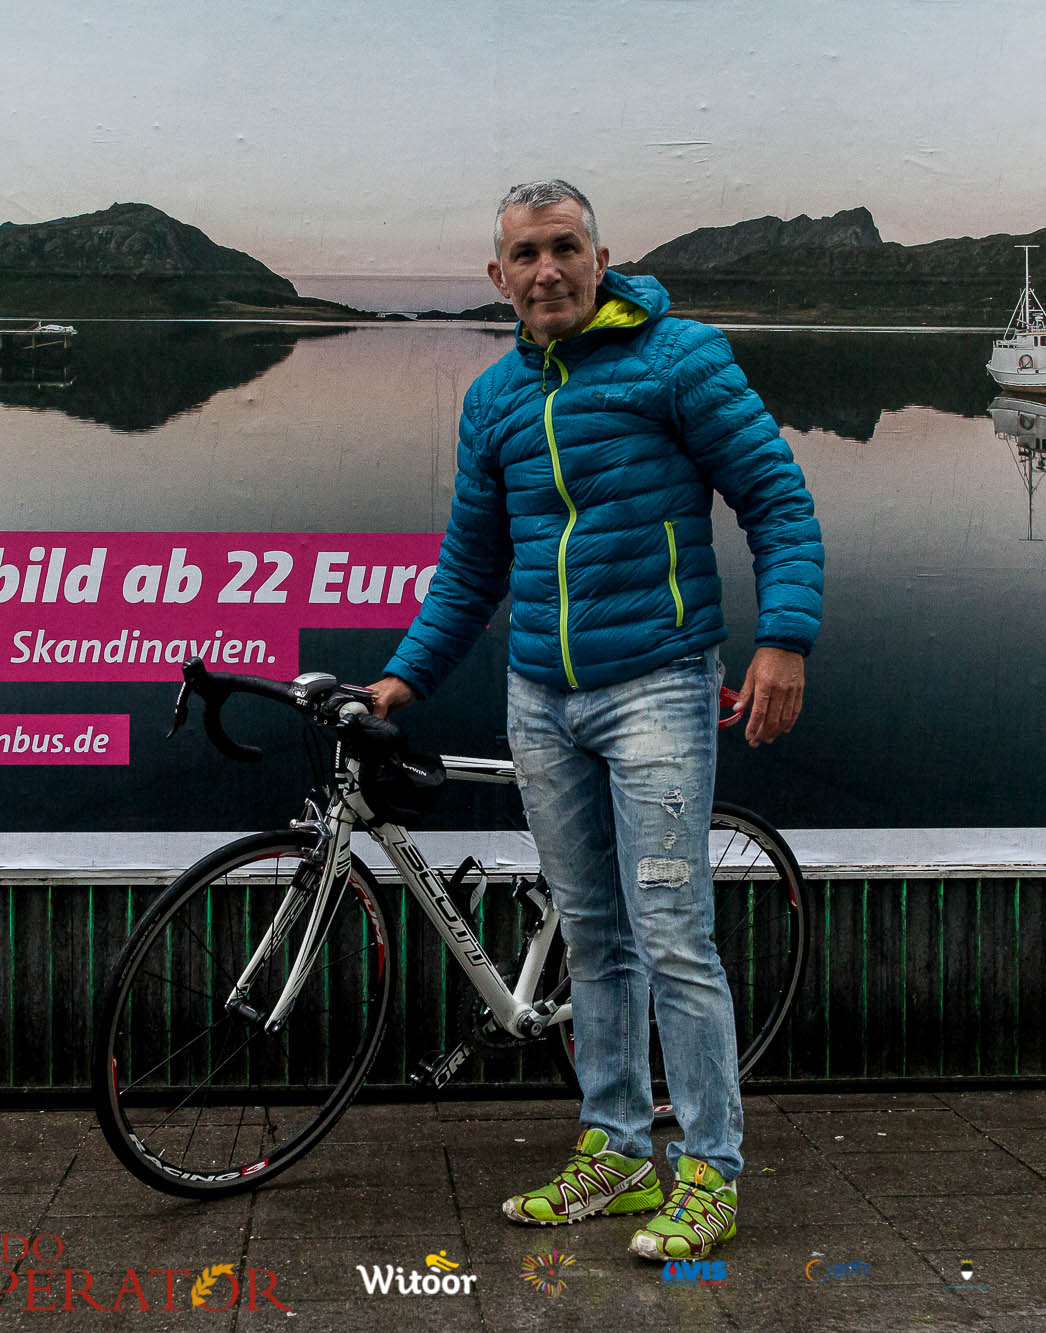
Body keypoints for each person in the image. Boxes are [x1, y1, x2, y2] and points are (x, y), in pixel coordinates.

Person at [368, 180, 823, 1262]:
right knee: (593, 937)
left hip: (658, 685)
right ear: (498, 276)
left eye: (565, 248)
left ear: (601, 257)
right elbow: (470, 567)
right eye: (525, 255)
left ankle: (708, 1169)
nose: (547, 272)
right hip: (540, 699)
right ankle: (615, 1151)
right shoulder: (494, 399)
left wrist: (785, 638)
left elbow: (776, 499)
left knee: (672, 935)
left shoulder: (678, 358)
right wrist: (401, 680)